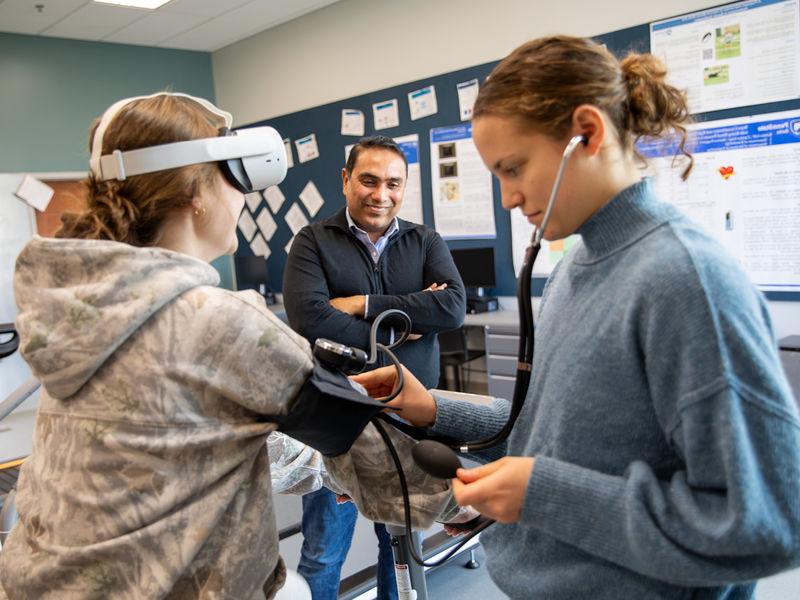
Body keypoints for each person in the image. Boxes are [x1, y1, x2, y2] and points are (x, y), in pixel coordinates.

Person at [354, 36, 800, 599]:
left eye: (513, 168)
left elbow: (768, 524)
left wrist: (540, 496)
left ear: (587, 133)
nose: (509, 197)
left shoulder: (685, 281)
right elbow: (554, 430)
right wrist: (431, 407)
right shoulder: (578, 263)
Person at [0, 94, 452, 599]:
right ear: (196, 192)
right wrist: (470, 499)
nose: (242, 198)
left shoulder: (73, 308)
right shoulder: (221, 323)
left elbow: (190, 436)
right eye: (234, 179)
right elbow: (368, 453)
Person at [282, 134, 466, 599]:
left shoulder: (425, 240)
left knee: (402, 542)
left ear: (404, 188)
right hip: (340, 418)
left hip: (410, 417)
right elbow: (311, 321)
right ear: (346, 180)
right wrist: (404, 325)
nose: (380, 194)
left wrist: (363, 304)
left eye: (393, 183)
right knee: (324, 548)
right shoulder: (312, 242)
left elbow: (452, 309)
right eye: (368, 180)